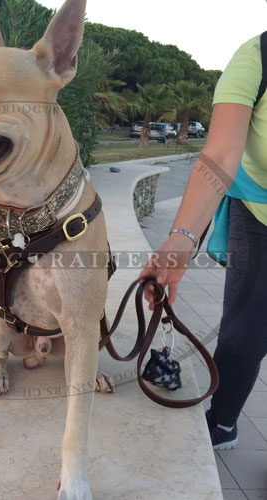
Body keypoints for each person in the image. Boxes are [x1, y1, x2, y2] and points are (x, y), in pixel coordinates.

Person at [140, 33, 267, 450]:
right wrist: (180, 239)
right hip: (259, 212)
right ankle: (224, 420)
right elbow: (220, 156)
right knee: (244, 332)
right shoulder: (257, 56)